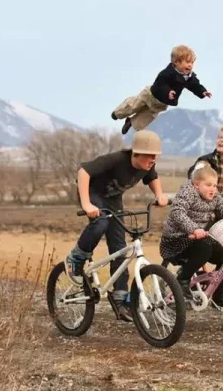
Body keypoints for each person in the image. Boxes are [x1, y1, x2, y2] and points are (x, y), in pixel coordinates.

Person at [66, 130, 168, 322]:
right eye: (150, 156)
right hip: (93, 193)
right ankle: (77, 257)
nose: (153, 160)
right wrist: (87, 204)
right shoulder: (117, 160)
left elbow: (152, 178)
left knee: (120, 247)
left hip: (113, 200)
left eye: (156, 156)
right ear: (136, 153)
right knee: (101, 223)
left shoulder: (147, 165)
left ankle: (120, 297)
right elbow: (83, 172)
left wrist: (159, 195)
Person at [159, 165, 223, 310]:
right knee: (204, 247)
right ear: (196, 184)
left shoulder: (214, 196)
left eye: (214, 185)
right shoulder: (188, 191)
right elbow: (177, 212)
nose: (213, 189)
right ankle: (183, 279)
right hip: (176, 241)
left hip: (196, 238)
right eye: (208, 185)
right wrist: (194, 228)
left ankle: (219, 296)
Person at [111, 44, 212, 135]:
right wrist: (168, 92)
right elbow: (160, 84)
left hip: (161, 103)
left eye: (192, 62)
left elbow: (195, 85)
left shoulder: (188, 77)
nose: (190, 65)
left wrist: (202, 91)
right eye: (187, 62)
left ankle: (130, 122)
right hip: (150, 94)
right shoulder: (167, 73)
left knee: (147, 116)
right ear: (176, 62)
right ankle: (118, 113)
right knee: (134, 105)